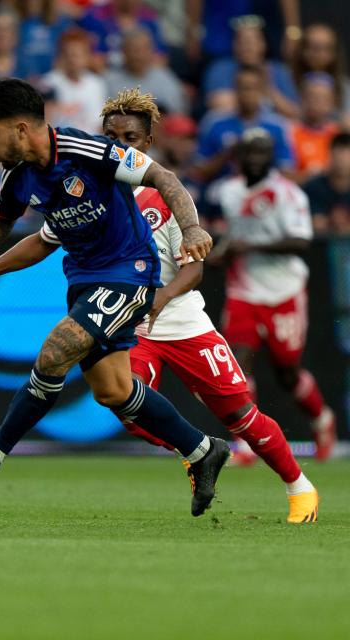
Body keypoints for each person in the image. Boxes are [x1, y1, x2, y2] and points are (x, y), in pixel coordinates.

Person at [0, 78, 230, 517]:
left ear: (20, 129)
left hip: (131, 273)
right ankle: (203, 449)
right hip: (84, 281)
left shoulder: (87, 151)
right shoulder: (20, 177)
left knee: (56, 351)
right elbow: (11, 228)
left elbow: (162, 176)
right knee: (113, 391)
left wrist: (191, 229)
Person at [94, 89, 315, 522]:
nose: (120, 146)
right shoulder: (91, 195)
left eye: (131, 137)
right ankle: (198, 450)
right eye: (111, 136)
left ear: (148, 142)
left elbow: (193, 271)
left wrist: (158, 298)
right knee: (126, 406)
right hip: (130, 325)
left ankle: (299, 486)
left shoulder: (168, 195)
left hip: (181, 320)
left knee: (240, 416)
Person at [210, 128, 337, 462]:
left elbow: (301, 240)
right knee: (238, 364)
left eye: (261, 152)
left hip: (284, 291)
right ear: (239, 157)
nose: (254, 158)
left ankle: (322, 419)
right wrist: (223, 252)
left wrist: (247, 247)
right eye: (248, 152)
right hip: (243, 291)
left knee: (287, 372)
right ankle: (245, 442)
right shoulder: (229, 192)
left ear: (271, 156)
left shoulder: (288, 194)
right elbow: (235, 236)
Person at [195, 65, 295, 183]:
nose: (247, 93)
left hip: (265, 191)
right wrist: (229, 153)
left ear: (262, 91)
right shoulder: (215, 123)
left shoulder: (277, 126)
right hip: (222, 189)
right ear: (235, 90)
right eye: (242, 88)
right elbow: (199, 172)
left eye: (252, 88)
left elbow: (287, 172)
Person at [201, 16, 299, 117]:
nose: (247, 46)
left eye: (252, 41)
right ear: (233, 45)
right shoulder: (220, 69)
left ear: (264, 44)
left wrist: (269, 89)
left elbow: (294, 113)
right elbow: (217, 105)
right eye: (241, 41)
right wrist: (260, 98)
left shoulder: (279, 71)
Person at [104, 27, 186, 114]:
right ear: (123, 51)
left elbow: (178, 113)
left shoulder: (165, 77)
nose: (140, 55)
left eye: (145, 49)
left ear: (151, 51)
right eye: (135, 50)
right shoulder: (109, 80)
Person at [42, 28, 107, 133]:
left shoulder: (96, 84)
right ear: (61, 56)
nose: (73, 60)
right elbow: (44, 123)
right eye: (68, 55)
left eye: (77, 55)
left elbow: (100, 124)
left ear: (87, 57)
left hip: (90, 143)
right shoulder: (49, 83)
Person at [290, 73, 339, 183]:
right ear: (302, 99)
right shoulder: (290, 133)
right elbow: (284, 176)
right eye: (312, 96)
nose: (317, 102)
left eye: (323, 98)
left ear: (332, 102)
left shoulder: (338, 135)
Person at [304, 133, 350, 234]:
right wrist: (334, 222)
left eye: (347, 156)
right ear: (330, 155)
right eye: (338, 155)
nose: (342, 161)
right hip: (320, 247)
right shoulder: (314, 187)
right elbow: (313, 222)